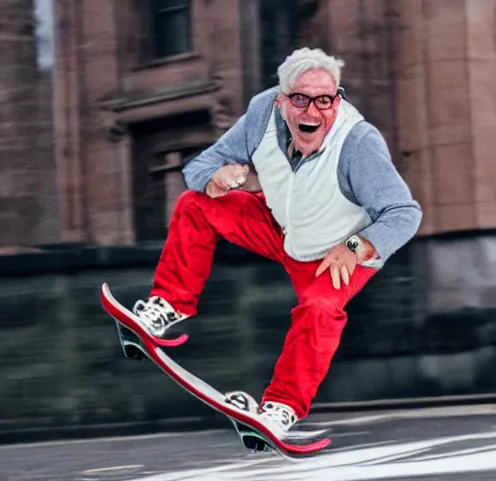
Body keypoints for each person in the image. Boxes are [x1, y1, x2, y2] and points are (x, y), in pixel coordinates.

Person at [118, 47, 422, 441]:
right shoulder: (262, 113)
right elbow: (197, 167)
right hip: (281, 228)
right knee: (196, 204)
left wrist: (355, 246)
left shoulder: (358, 142)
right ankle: (168, 307)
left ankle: (280, 408)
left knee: (319, 309)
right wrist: (215, 177)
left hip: (336, 254)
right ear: (281, 101)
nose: (312, 112)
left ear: (337, 100)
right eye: (300, 100)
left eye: (324, 101)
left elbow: (403, 213)